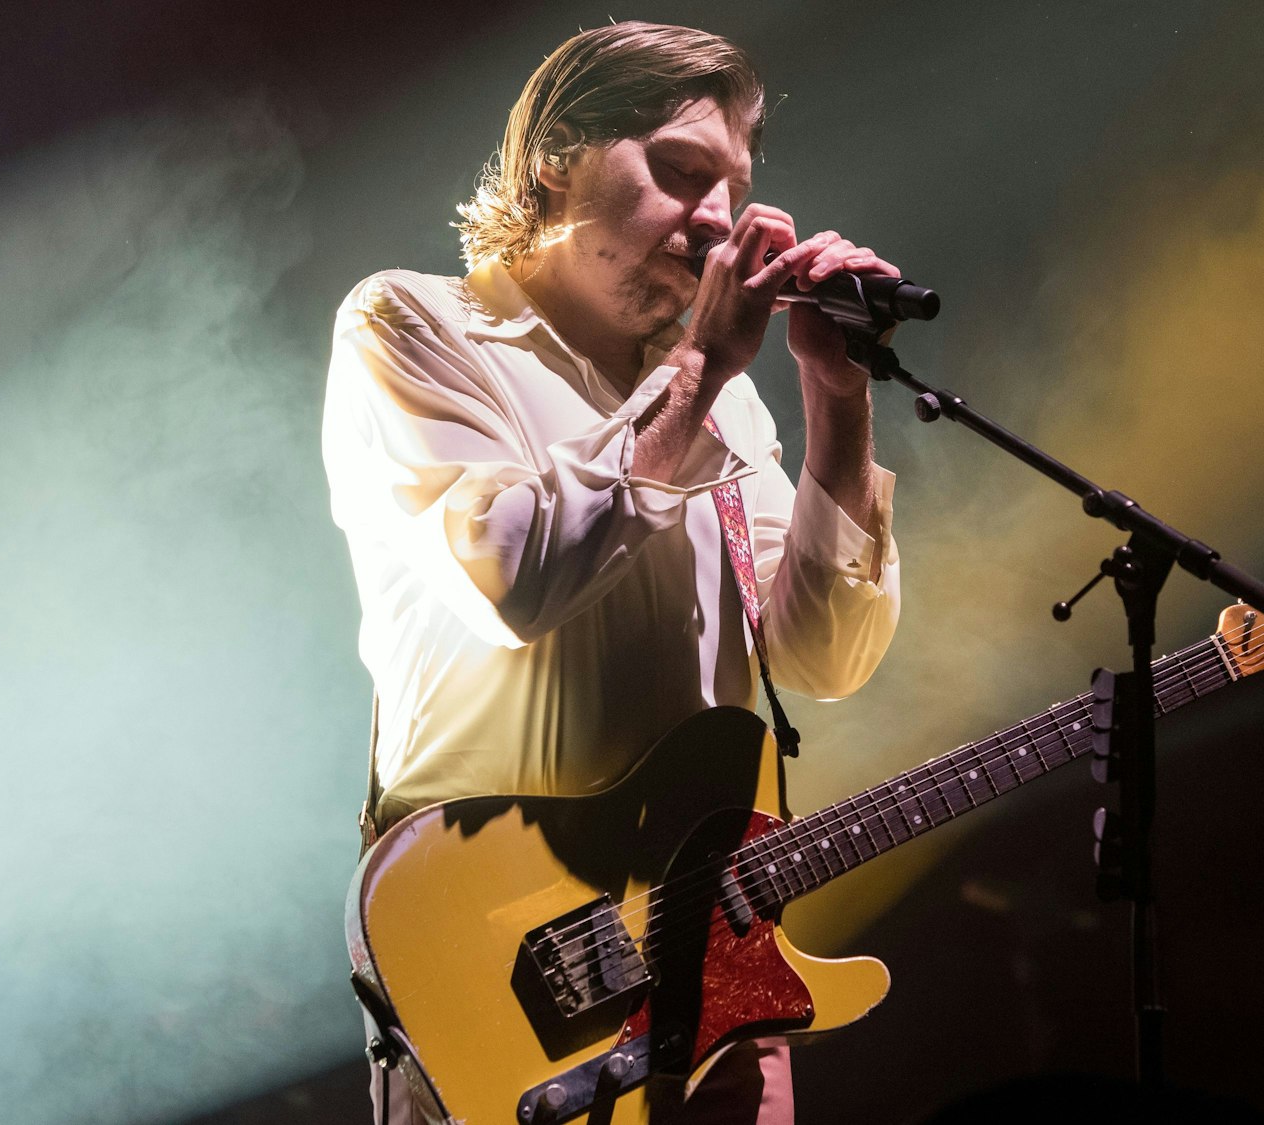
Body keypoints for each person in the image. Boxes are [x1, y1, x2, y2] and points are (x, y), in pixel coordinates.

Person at [320, 21, 905, 1124]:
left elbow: (823, 660)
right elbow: (510, 584)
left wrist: (837, 403)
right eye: (679, 174)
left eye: (730, 187)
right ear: (555, 160)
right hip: (500, 959)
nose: (716, 219)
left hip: (715, 963)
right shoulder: (415, 324)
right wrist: (699, 367)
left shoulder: (723, 401)